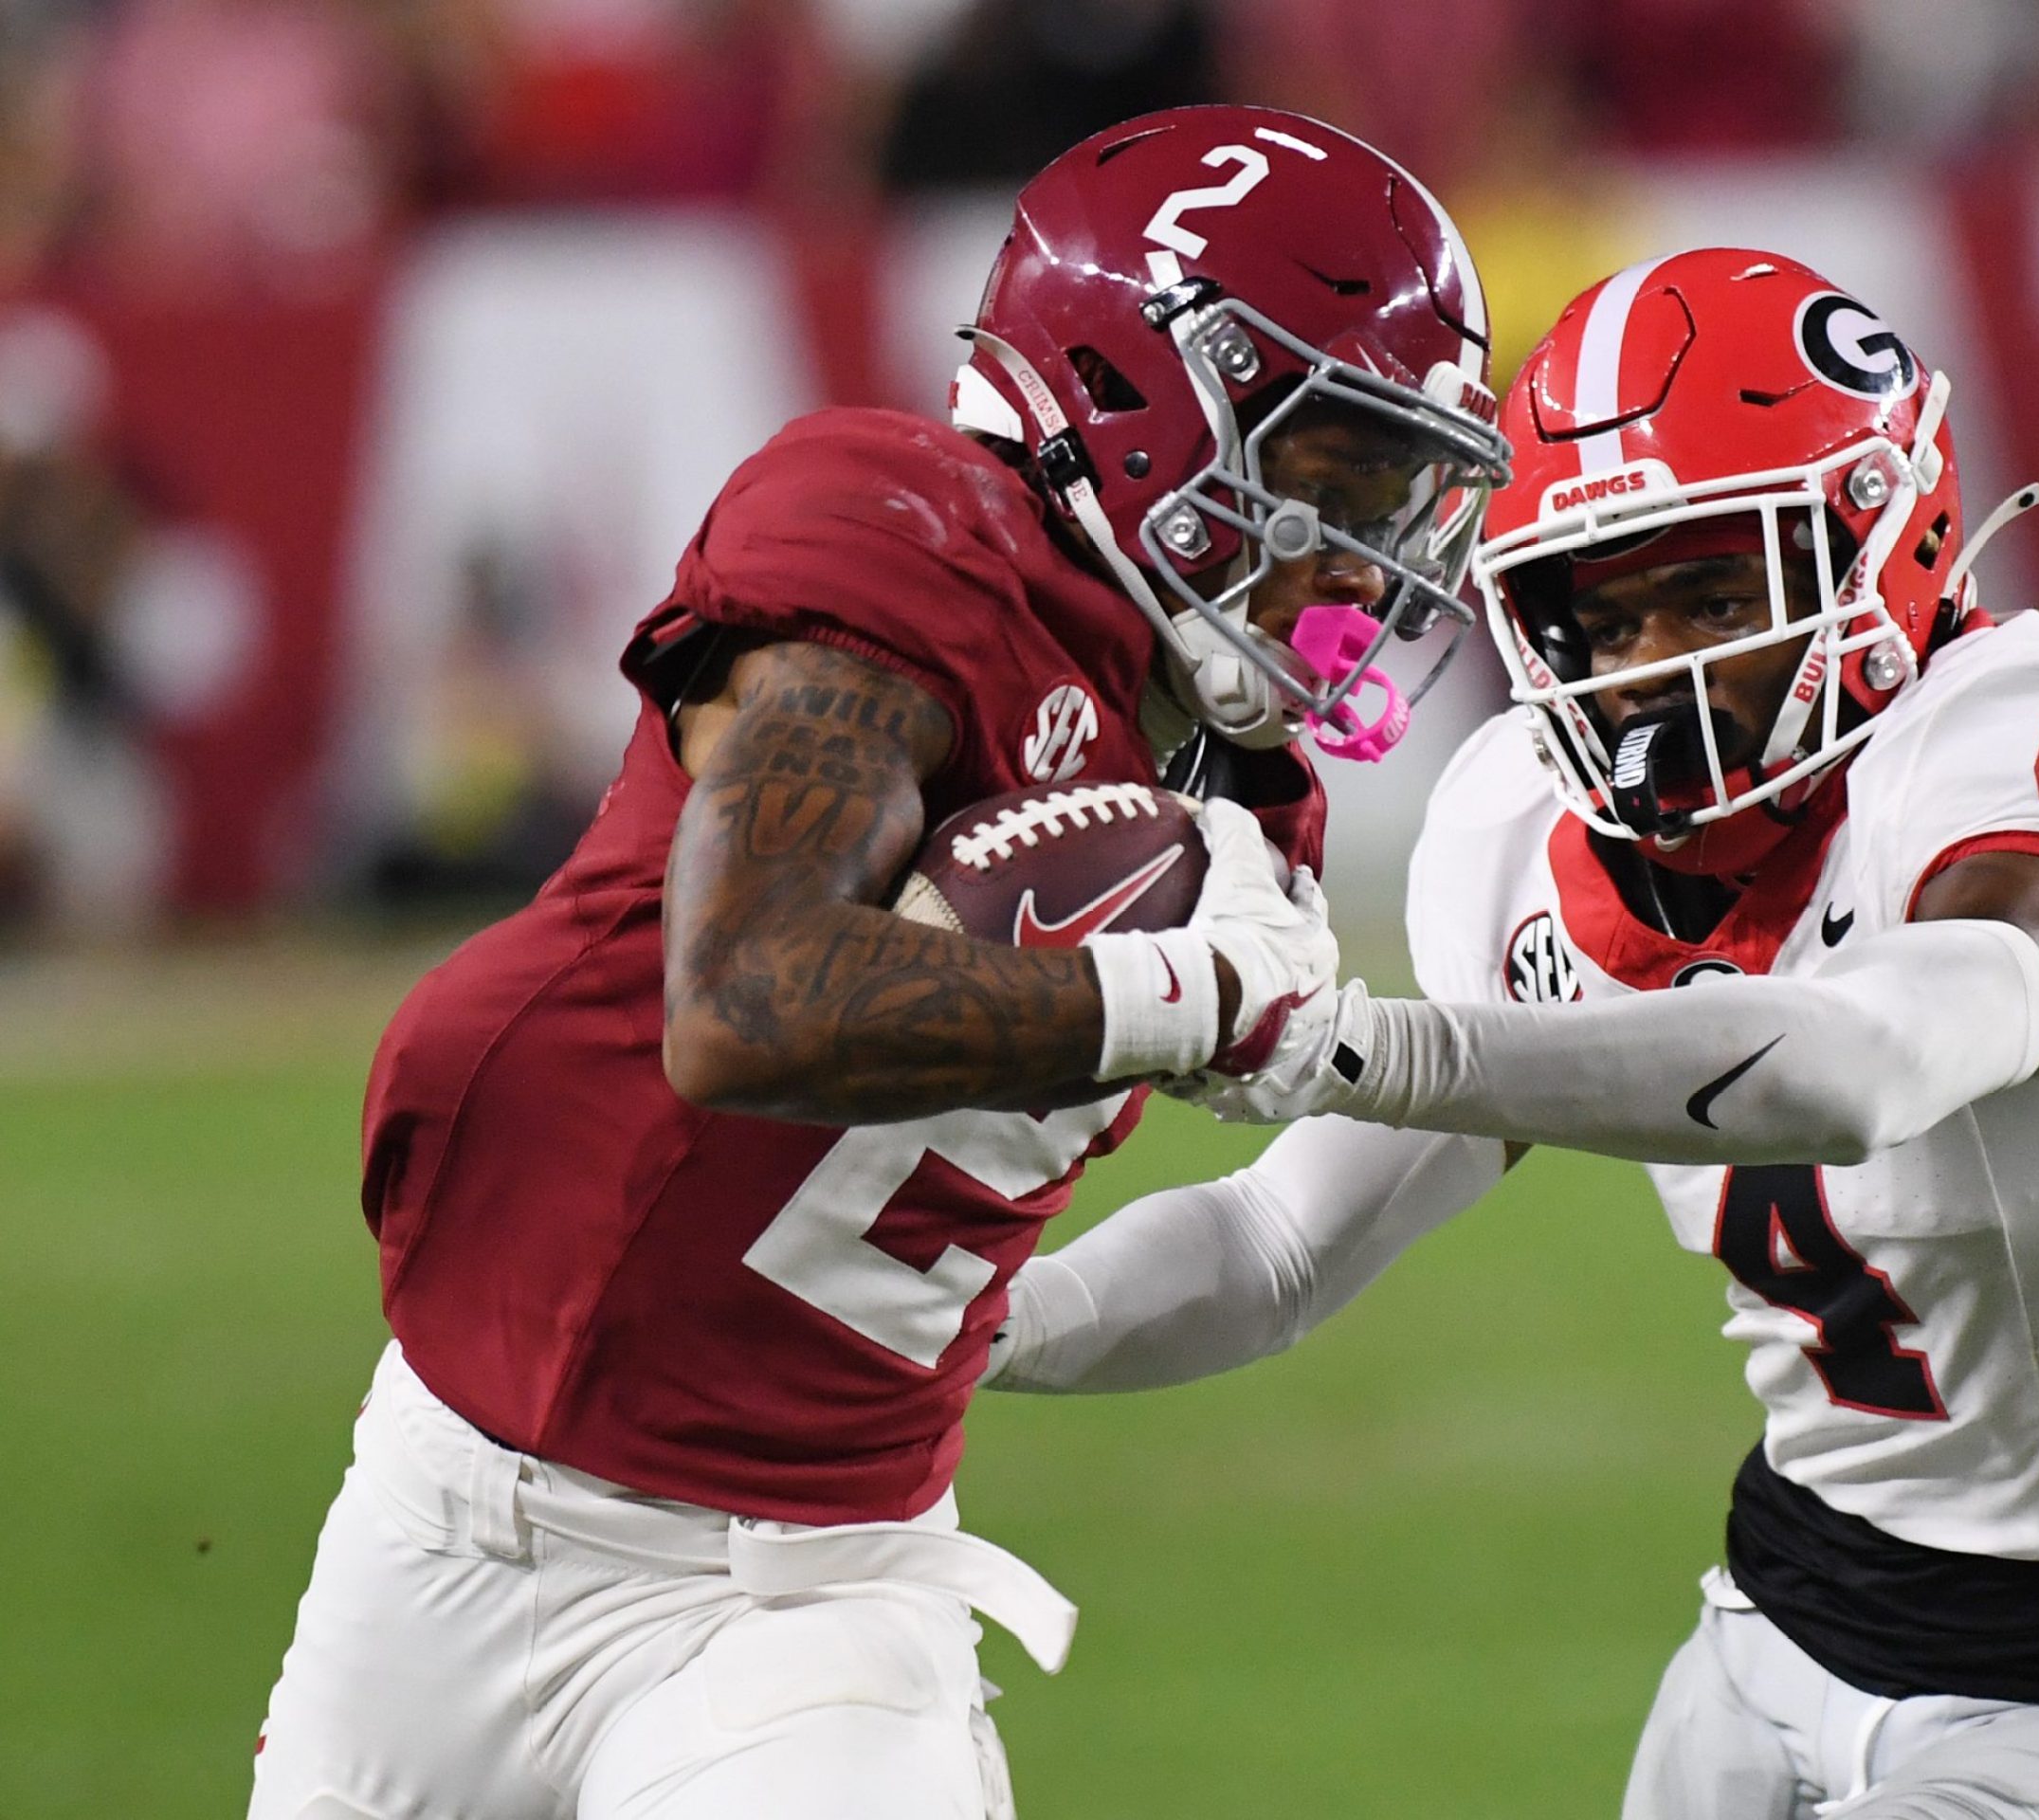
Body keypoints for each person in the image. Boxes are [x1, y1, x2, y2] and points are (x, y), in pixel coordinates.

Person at [246, 105, 1507, 1820]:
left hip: (804, 1598)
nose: (1363, 559)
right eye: (1329, 479)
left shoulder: (1245, 818)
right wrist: (1174, 1000)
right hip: (438, 1510)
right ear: (1148, 396)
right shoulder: (899, 530)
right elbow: (749, 1003)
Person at [991, 248, 2039, 1820]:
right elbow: (1278, 1247)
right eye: (1604, 609)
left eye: (1713, 593)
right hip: (1780, 1613)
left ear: (1886, 542)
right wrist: (954, 1339)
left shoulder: (2015, 738)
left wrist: (1353, 1040)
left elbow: (1861, 1068)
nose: (1650, 673)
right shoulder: (1515, 823)